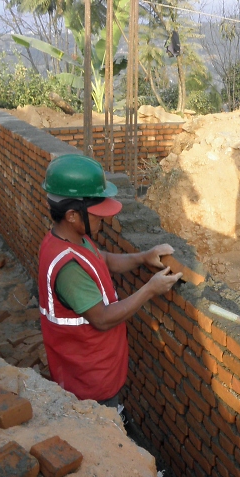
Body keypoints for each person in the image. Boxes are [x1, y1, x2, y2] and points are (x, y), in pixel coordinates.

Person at [38, 154, 182, 403]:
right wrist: (150, 289)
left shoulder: (71, 239)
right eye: (96, 213)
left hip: (98, 366)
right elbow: (102, 319)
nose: (103, 218)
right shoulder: (68, 268)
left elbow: (101, 259)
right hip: (89, 382)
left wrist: (143, 257)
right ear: (72, 215)